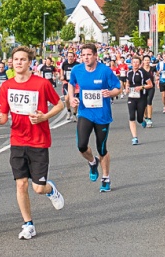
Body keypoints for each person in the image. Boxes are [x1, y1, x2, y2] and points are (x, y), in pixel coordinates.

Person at [0, 46, 65, 239]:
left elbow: (60, 104)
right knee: (21, 184)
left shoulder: (41, 84)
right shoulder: (6, 86)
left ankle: (50, 189)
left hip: (39, 141)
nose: (18, 63)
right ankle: (28, 224)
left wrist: (44, 117)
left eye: (22, 59)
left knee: (38, 188)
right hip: (17, 139)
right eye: (15, 59)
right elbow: (3, 114)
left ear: (30, 62)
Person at [68, 43, 122, 192]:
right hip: (85, 112)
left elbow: (118, 87)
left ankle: (105, 178)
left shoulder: (104, 71)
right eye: (83, 55)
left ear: (95, 55)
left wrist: (111, 93)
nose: (86, 58)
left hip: (102, 115)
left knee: (102, 148)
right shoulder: (76, 70)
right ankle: (92, 162)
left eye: (89, 55)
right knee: (81, 145)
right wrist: (72, 98)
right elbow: (71, 84)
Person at [124, 56, 150, 146]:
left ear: (140, 63)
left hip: (141, 97)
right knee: (131, 117)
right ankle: (135, 137)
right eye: (133, 62)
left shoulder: (143, 73)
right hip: (131, 97)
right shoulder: (129, 73)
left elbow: (150, 85)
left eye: (137, 62)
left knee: (139, 118)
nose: (135, 64)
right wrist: (127, 88)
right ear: (131, 63)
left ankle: (142, 121)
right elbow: (127, 83)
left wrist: (141, 87)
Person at [58, 49, 79, 121]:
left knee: (74, 100)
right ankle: (68, 111)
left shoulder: (77, 64)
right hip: (66, 83)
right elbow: (62, 69)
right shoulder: (65, 63)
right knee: (66, 99)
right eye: (69, 56)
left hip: (75, 84)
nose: (70, 58)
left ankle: (75, 114)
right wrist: (61, 76)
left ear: (74, 57)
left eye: (71, 56)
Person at [141, 55, 157, 127]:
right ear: (143, 61)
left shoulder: (153, 68)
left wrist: (157, 78)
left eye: (148, 60)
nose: (147, 61)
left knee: (149, 101)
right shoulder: (140, 70)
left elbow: (157, 74)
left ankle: (150, 118)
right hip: (143, 87)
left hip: (151, 87)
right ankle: (145, 117)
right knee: (143, 103)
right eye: (145, 60)